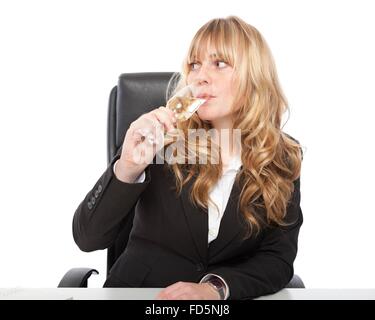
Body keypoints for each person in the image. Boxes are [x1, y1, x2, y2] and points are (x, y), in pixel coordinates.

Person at [73, 16, 303, 300]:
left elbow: (277, 259)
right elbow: (88, 237)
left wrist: (215, 288)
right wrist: (127, 168)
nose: (199, 76)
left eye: (219, 63)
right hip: (144, 297)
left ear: (254, 76)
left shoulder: (281, 156)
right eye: (195, 65)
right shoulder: (162, 142)